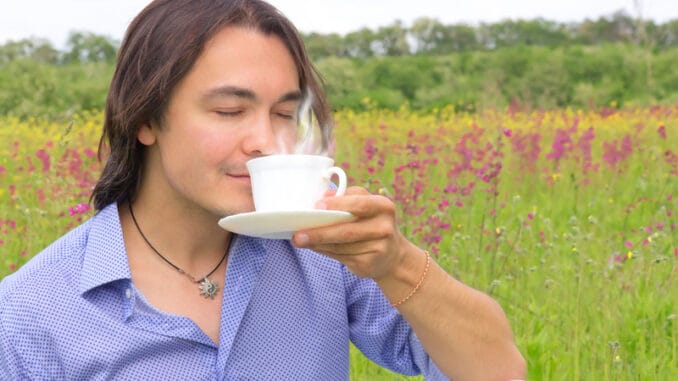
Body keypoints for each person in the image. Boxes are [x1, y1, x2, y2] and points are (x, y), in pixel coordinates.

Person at [0, 0, 525, 379]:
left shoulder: (323, 254)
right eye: (230, 111)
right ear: (145, 118)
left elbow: (498, 371)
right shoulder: (29, 315)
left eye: (284, 114)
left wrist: (397, 262)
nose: (267, 141)